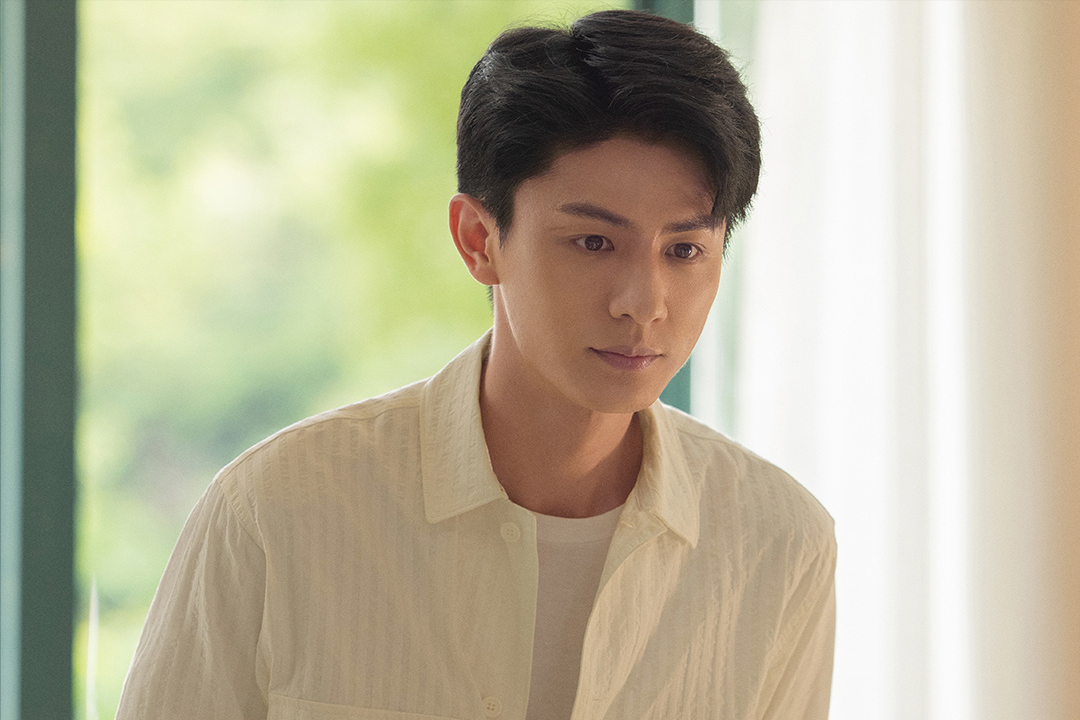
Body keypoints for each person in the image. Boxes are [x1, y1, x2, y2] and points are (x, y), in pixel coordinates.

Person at [117, 9, 835, 720]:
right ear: (478, 240)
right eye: (592, 242)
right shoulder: (276, 513)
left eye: (684, 250)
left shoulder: (777, 544)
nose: (643, 304)